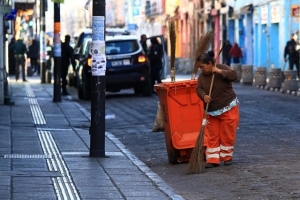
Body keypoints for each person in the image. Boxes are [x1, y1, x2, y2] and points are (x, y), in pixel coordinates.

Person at [196, 50, 240, 168]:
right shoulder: (201, 77)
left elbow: (234, 75)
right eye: (199, 67)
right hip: (211, 111)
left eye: (202, 67)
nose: (201, 69)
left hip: (227, 107)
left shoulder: (221, 68)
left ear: (210, 64)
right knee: (212, 136)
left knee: (227, 134)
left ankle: (227, 157)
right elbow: (198, 89)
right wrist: (204, 96)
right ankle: (213, 160)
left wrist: (219, 71)